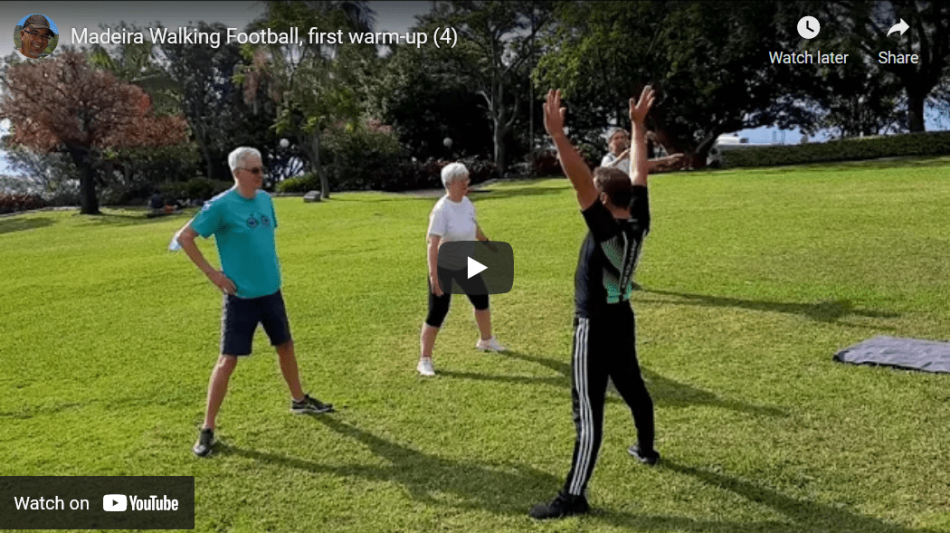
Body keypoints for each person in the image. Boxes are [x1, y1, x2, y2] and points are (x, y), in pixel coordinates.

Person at [530, 88, 659, 520]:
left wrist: (557, 136)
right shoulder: (637, 220)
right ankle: (645, 449)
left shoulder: (606, 230)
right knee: (634, 389)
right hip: (622, 320)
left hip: (594, 328)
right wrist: (638, 127)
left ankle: (573, 497)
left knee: (587, 414)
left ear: (603, 201)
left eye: (596, 194)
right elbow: (638, 172)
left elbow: (581, 180)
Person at [174, 147, 333, 457]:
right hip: (241, 298)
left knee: (285, 346)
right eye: (255, 171)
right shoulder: (220, 207)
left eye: (262, 169)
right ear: (238, 173)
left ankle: (299, 400)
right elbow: (184, 237)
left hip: (271, 292)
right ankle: (207, 428)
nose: (262, 175)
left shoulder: (264, 200)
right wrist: (213, 275)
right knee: (228, 360)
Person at [418, 162, 506, 376]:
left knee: (481, 299)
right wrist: (434, 277)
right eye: (462, 180)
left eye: (467, 178)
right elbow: (432, 244)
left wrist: (487, 243)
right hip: (444, 266)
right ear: (450, 184)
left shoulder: (466, 203)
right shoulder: (441, 210)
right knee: (438, 312)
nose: (467, 183)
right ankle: (424, 360)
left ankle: (486, 340)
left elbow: (473, 226)